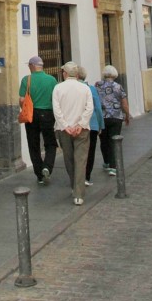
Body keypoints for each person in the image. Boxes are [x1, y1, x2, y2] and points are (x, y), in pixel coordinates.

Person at [52, 61, 93, 206]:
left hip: (65, 130)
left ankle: (73, 186)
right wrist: (80, 125)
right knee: (80, 160)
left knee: (69, 159)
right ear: (76, 74)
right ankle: (79, 193)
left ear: (65, 74)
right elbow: (89, 108)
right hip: (82, 130)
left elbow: (56, 110)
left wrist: (65, 126)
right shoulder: (85, 88)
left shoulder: (58, 88)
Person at [18, 55, 58, 184]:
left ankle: (39, 175)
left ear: (32, 66)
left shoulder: (26, 79)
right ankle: (47, 167)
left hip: (31, 115)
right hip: (47, 114)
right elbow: (55, 99)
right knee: (50, 143)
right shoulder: (52, 80)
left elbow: (22, 100)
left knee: (33, 145)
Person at [95, 65, 131, 176]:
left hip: (103, 117)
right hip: (116, 117)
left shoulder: (98, 86)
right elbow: (124, 102)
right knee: (114, 140)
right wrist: (127, 115)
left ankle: (106, 161)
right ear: (114, 74)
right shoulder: (118, 87)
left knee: (103, 141)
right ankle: (113, 166)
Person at [76, 65, 105, 186]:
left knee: (78, 152)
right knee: (90, 151)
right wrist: (100, 125)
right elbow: (97, 108)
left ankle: (77, 176)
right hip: (92, 124)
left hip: (77, 124)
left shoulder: (73, 88)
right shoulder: (91, 89)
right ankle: (86, 177)